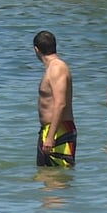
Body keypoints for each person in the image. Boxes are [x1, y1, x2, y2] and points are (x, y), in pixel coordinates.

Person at [33, 31, 76, 166]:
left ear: (36, 49)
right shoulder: (53, 68)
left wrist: (51, 137)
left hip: (59, 131)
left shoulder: (57, 68)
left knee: (57, 178)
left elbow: (60, 103)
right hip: (51, 130)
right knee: (46, 176)